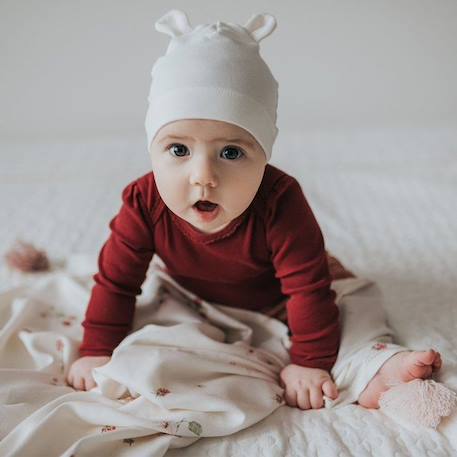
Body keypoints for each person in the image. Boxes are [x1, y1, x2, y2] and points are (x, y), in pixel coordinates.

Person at [66, 9, 442, 410]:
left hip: (282, 296)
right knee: (153, 337)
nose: (203, 176)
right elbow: (116, 282)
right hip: (193, 295)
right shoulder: (143, 202)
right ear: (153, 150)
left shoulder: (280, 201)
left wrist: (309, 363)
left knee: (355, 304)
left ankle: (375, 365)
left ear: (264, 155)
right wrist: (96, 349)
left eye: (231, 152)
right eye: (178, 149)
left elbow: (307, 289)